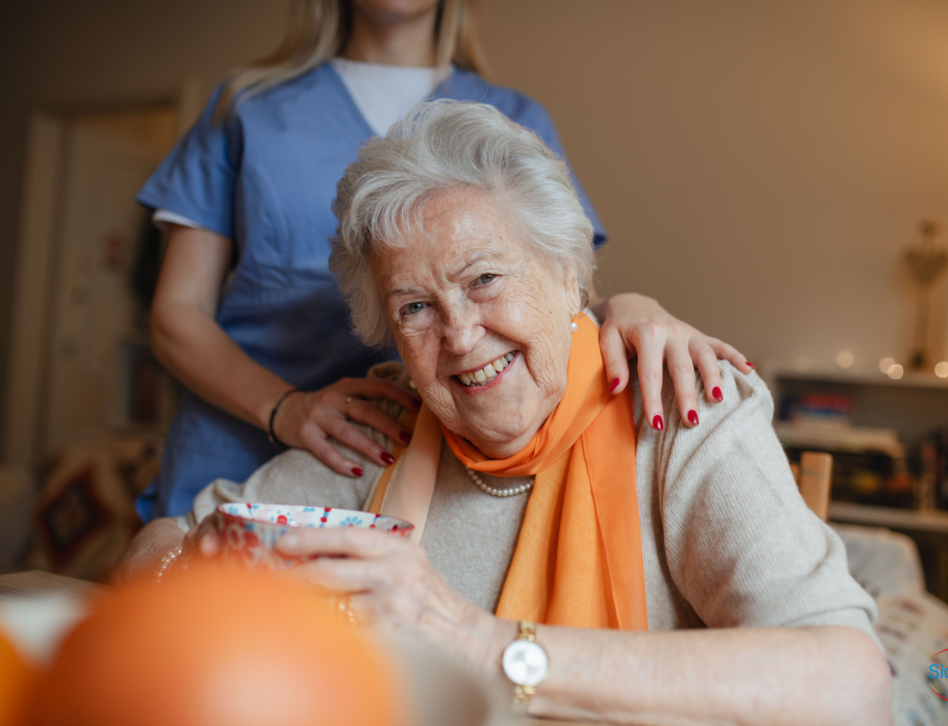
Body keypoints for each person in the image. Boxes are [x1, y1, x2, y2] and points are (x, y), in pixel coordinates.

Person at [119, 102, 891, 725]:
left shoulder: (680, 404)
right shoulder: (384, 429)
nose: (458, 336)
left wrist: (482, 645)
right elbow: (164, 546)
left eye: (485, 279)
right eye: (415, 307)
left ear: (569, 274)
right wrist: (185, 568)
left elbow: (851, 686)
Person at [137, 0, 753, 522]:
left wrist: (636, 306)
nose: (458, 326)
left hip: (417, 464)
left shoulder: (513, 115)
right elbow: (175, 313)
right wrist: (285, 409)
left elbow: (558, 291)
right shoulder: (245, 109)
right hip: (242, 443)